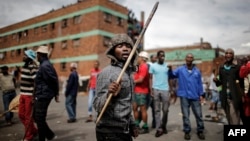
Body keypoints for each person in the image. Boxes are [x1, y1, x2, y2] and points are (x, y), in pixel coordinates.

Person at [93, 33, 139, 141]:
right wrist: (110, 94)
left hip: (124, 130)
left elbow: (126, 102)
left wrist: (132, 124)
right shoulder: (107, 73)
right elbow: (97, 105)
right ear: (113, 51)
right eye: (120, 46)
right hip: (109, 132)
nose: (125, 49)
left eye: (128, 46)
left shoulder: (129, 74)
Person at [169, 53, 205, 140]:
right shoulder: (180, 69)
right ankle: (187, 131)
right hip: (184, 95)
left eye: (191, 57)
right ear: (185, 59)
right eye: (188, 57)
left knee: (198, 114)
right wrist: (169, 70)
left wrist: (202, 94)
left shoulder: (197, 71)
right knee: (185, 115)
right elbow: (172, 75)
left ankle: (200, 131)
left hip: (195, 95)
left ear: (193, 59)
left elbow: (199, 84)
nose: (189, 59)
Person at [33, 46, 59, 141]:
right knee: (37, 117)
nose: (36, 56)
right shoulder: (44, 64)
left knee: (39, 118)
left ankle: (46, 136)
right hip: (42, 94)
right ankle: (47, 136)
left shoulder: (45, 66)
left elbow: (53, 80)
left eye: (37, 54)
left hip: (44, 95)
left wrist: (56, 94)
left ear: (40, 55)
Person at [213, 48, 244, 125]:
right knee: (229, 119)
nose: (228, 55)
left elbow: (242, 83)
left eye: (230, 53)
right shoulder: (221, 68)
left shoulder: (237, 67)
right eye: (226, 53)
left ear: (233, 56)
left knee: (235, 120)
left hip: (234, 97)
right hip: (224, 97)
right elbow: (220, 84)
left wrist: (242, 95)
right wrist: (216, 81)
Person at [149, 50, 170, 137]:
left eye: (163, 56)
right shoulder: (153, 66)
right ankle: (158, 129)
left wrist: (171, 90)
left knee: (165, 110)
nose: (162, 57)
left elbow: (170, 78)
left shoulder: (167, 66)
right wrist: (151, 89)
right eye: (161, 56)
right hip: (156, 89)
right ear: (157, 57)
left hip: (165, 89)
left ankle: (163, 126)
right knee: (156, 110)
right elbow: (150, 78)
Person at [18, 49, 38, 141]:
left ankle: (29, 136)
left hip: (29, 96)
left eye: (25, 55)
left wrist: (34, 96)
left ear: (29, 58)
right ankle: (34, 130)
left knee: (27, 117)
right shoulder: (24, 67)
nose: (23, 56)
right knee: (21, 115)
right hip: (22, 94)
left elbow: (36, 82)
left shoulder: (32, 67)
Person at [132, 51, 150, 134]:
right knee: (134, 108)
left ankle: (145, 126)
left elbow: (140, 79)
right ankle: (136, 125)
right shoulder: (139, 66)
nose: (137, 59)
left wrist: (131, 81)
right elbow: (135, 74)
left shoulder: (144, 67)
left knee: (143, 109)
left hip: (142, 92)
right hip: (136, 91)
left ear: (142, 58)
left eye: (138, 57)